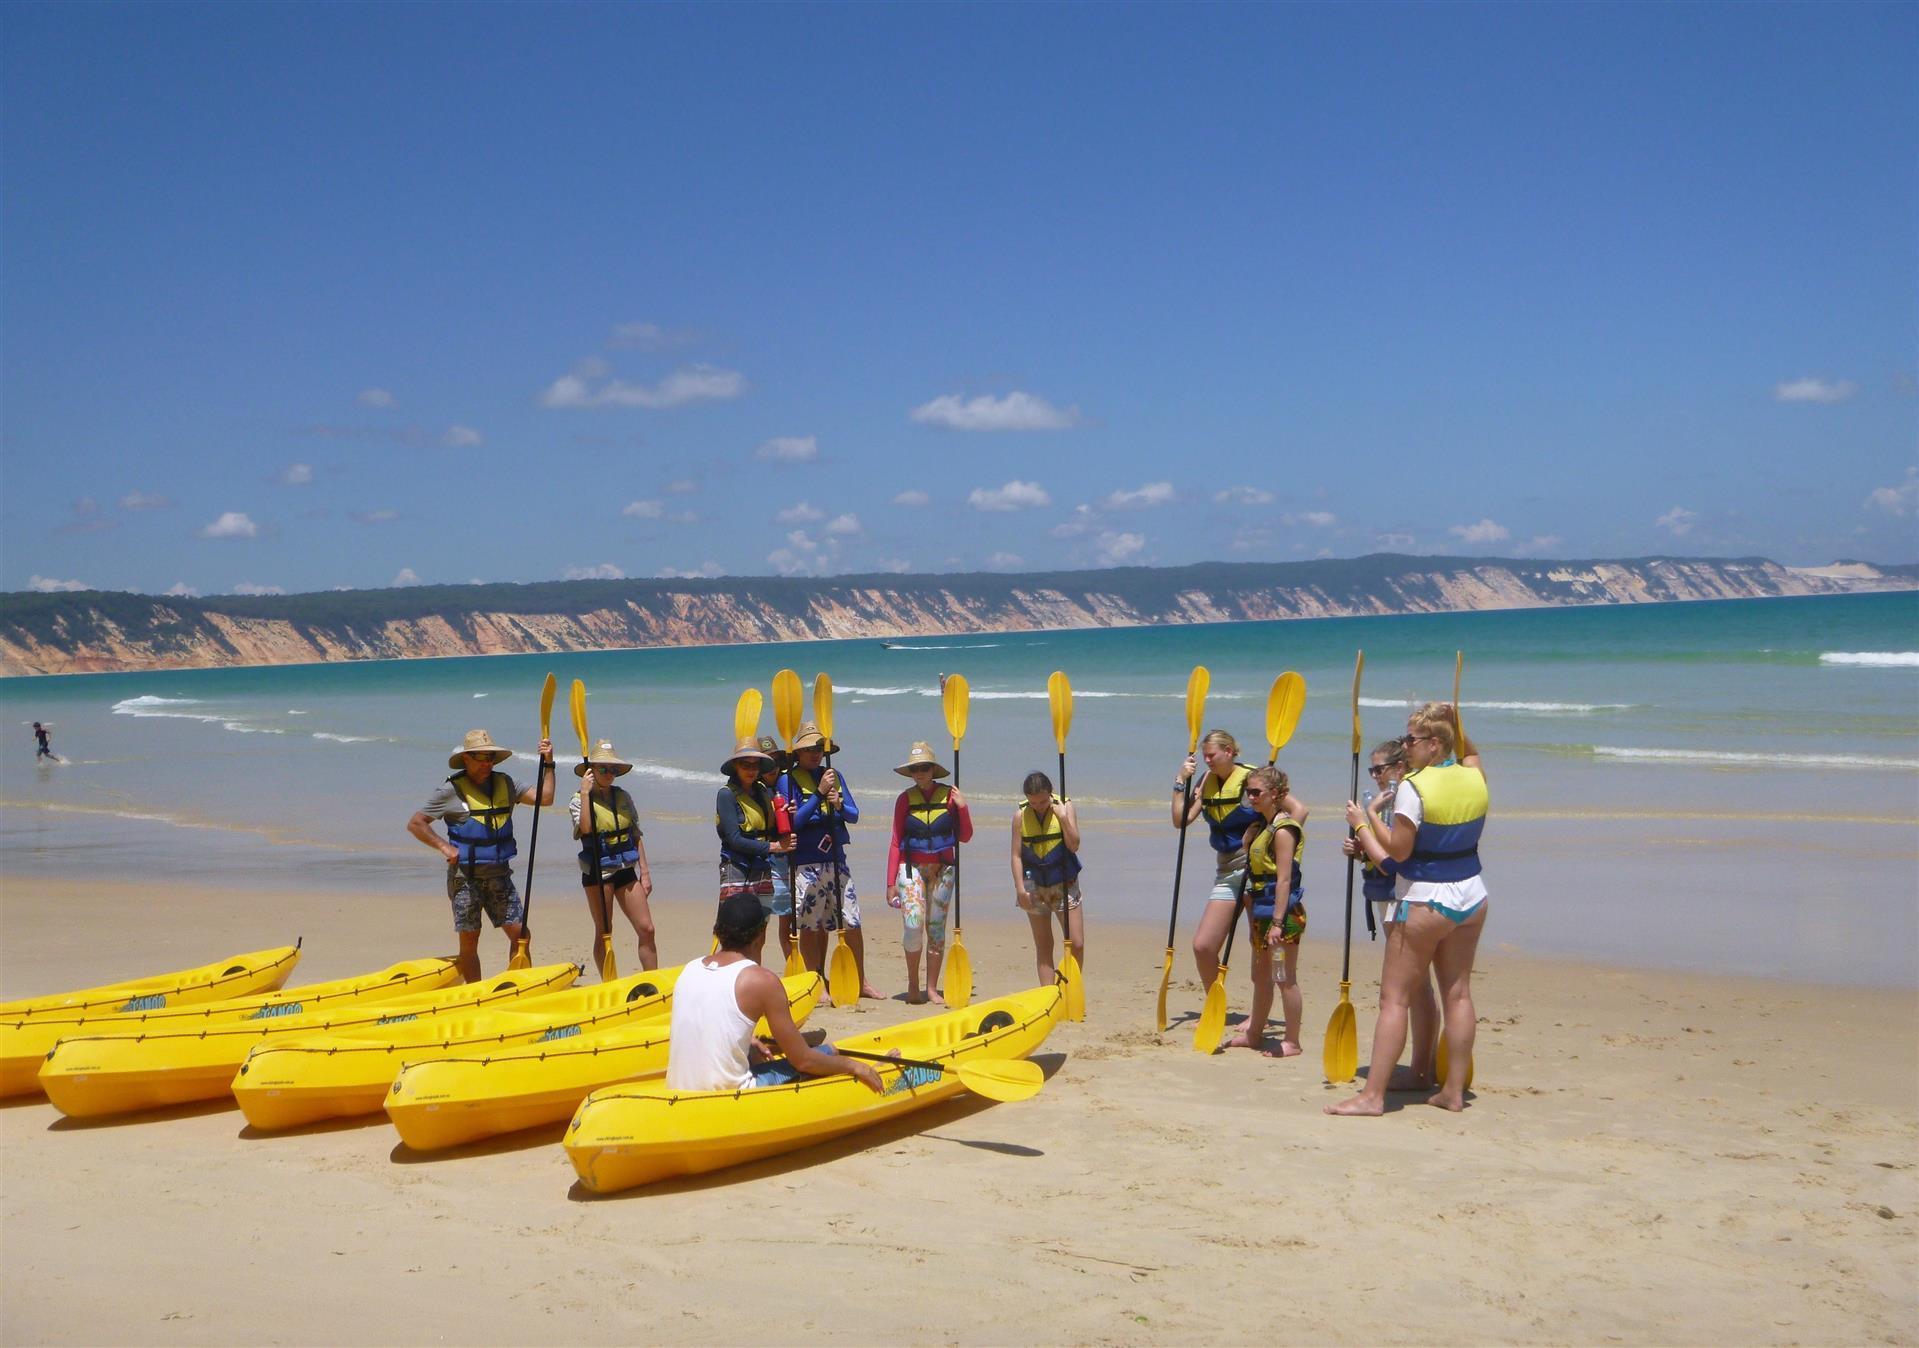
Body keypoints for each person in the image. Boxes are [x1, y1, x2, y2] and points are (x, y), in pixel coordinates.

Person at [1329, 705, 1489, 1116]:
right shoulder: (1474, 775)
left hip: (1423, 899)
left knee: (1394, 999)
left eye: (1412, 740)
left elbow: (1398, 853)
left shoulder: (1412, 788)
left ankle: (1372, 1096)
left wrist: (1366, 824)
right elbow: (1470, 751)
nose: (1405, 747)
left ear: (1434, 745)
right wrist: (1455, 722)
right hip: (1471, 896)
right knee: (1458, 993)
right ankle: (1452, 1091)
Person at [665, 893, 884, 1093]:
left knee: (760, 1054)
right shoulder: (762, 981)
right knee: (827, 1053)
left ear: (718, 932)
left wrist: (747, 1041)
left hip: (680, 1089)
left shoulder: (690, 968)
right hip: (730, 1093)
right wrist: (854, 1066)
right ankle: (876, 1070)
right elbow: (804, 1061)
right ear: (761, 935)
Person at [408, 727, 555, 983]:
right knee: (470, 939)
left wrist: (549, 764)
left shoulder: (506, 784)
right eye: (481, 757)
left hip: (500, 874)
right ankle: (474, 992)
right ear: (466, 759)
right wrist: (445, 847)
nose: (487, 763)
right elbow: (416, 824)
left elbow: (545, 798)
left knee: (521, 934)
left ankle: (516, 986)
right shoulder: (450, 791)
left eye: (490, 757)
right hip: (465, 877)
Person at [1172, 730, 1309, 992]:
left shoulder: (1252, 779)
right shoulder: (1205, 780)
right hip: (1226, 870)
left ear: (1230, 752)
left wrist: (1271, 840)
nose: (1208, 761)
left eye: (1212, 755)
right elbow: (1180, 820)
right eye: (1205, 756)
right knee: (1203, 946)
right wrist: (1180, 782)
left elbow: (1299, 811)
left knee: (1258, 948)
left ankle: (1257, 1019)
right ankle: (1216, 1004)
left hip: (1254, 871)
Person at [778, 721, 882, 998]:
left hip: (836, 861)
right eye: (810, 749)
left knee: (851, 921)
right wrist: (820, 795)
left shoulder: (833, 775)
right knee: (811, 926)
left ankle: (860, 981)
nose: (815, 754)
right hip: (805, 863)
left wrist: (838, 803)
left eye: (819, 749)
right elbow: (793, 822)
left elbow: (854, 814)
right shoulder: (787, 780)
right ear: (798, 752)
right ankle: (816, 982)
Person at [885, 741, 973, 1004]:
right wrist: (890, 883)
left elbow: (965, 836)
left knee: (935, 929)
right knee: (913, 925)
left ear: (933, 769)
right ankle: (914, 984)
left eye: (924, 767)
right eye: (915, 768)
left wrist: (963, 807)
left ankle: (932, 988)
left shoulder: (950, 796)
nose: (920, 772)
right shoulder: (904, 800)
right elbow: (895, 840)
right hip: (910, 868)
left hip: (943, 870)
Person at [570, 739, 657, 974]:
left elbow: (635, 835)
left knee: (647, 929)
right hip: (599, 872)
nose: (609, 774)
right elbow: (586, 829)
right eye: (603, 769)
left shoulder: (623, 797)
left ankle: (653, 980)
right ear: (591, 771)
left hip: (625, 870)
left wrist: (645, 873)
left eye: (613, 769)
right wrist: (586, 793)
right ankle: (609, 982)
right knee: (605, 931)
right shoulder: (578, 800)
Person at [1239, 766, 1305, 1056]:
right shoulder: (1263, 828)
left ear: (1275, 795)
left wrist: (1278, 923)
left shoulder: (1283, 830)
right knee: (1261, 976)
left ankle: (1292, 1041)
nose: (1251, 798)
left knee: (1282, 977)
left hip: (1282, 918)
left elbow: (1284, 880)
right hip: (1262, 914)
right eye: (1248, 792)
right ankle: (1254, 1034)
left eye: (1256, 792)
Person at [1008, 770, 1083, 988]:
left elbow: (1075, 845)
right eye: (1033, 803)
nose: (1039, 807)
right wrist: (1020, 888)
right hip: (1034, 885)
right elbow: (1015, 855)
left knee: (1076, 943)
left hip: (1064, 883)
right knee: (1044, 944)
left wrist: (1062, 818)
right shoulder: (1020, 816)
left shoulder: (1065, 807)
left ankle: (1070, 989)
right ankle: (1048, 994)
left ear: (1050, 794)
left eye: (1042, 802)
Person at [714, 737, 793, 919]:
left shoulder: (763, 792)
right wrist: (774, 847)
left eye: (755, 765)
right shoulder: (726, 795)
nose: (751, 770)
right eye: (745, 765)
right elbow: (734, 839)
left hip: (763, 867)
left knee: (758, 929)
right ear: (735, 766)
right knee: (734, 928)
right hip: (736, 866)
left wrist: (788, 814)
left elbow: (771, 832)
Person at [757, 734, 799, 965]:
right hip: (766, 862)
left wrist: (794, 809)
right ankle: (755, 970)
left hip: (789, 862)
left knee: (789, 921)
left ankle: (794, 967)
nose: (770, 767)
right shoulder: (754, 790)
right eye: (765, 762)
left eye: (774, 760)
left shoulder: (788, 785)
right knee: (761, 923)